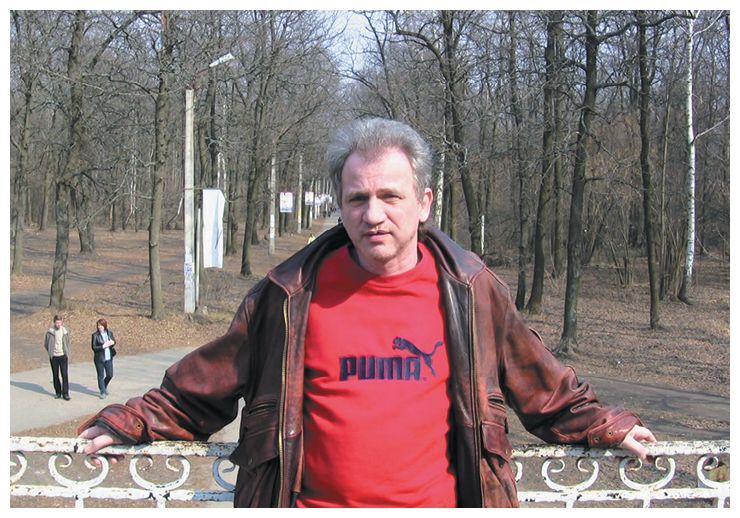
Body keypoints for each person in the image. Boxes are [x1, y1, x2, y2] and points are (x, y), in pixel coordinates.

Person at [78, 118, 655, 508]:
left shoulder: (472, 291)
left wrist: (608, 426)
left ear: (424, 203)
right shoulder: (288, 296)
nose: (373, 214)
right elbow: (202, 388)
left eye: (390, 196)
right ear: (341, 204)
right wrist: (128, 422)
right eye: (358, 198)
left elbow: (544, 389)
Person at [44, 315, 71, 401]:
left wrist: (66, 352)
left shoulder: (65, 331)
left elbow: (68, 342)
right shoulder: (50, 332)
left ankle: (65, 393)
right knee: (55, 375)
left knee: (64, 375)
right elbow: (46, 344)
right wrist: (51, 351)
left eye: (60, 323)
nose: (58, 324)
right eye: (57, 323)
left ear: (62, 322)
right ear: (54, 322)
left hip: (63, 356)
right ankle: (58, 392)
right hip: (54, 357)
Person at [91, 318, 117, 399]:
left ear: (104, 326)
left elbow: (114, 341)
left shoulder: (109, 333)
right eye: (98, 326)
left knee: (110, 374)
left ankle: (104, 385)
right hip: (99, 358)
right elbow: (94, 347)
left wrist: (112, 343)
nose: (99, 327)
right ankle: (102, 391)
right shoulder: (95, 335)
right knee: (100, 375)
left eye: (101, 326)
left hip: (108, 357)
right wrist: (103, 346)